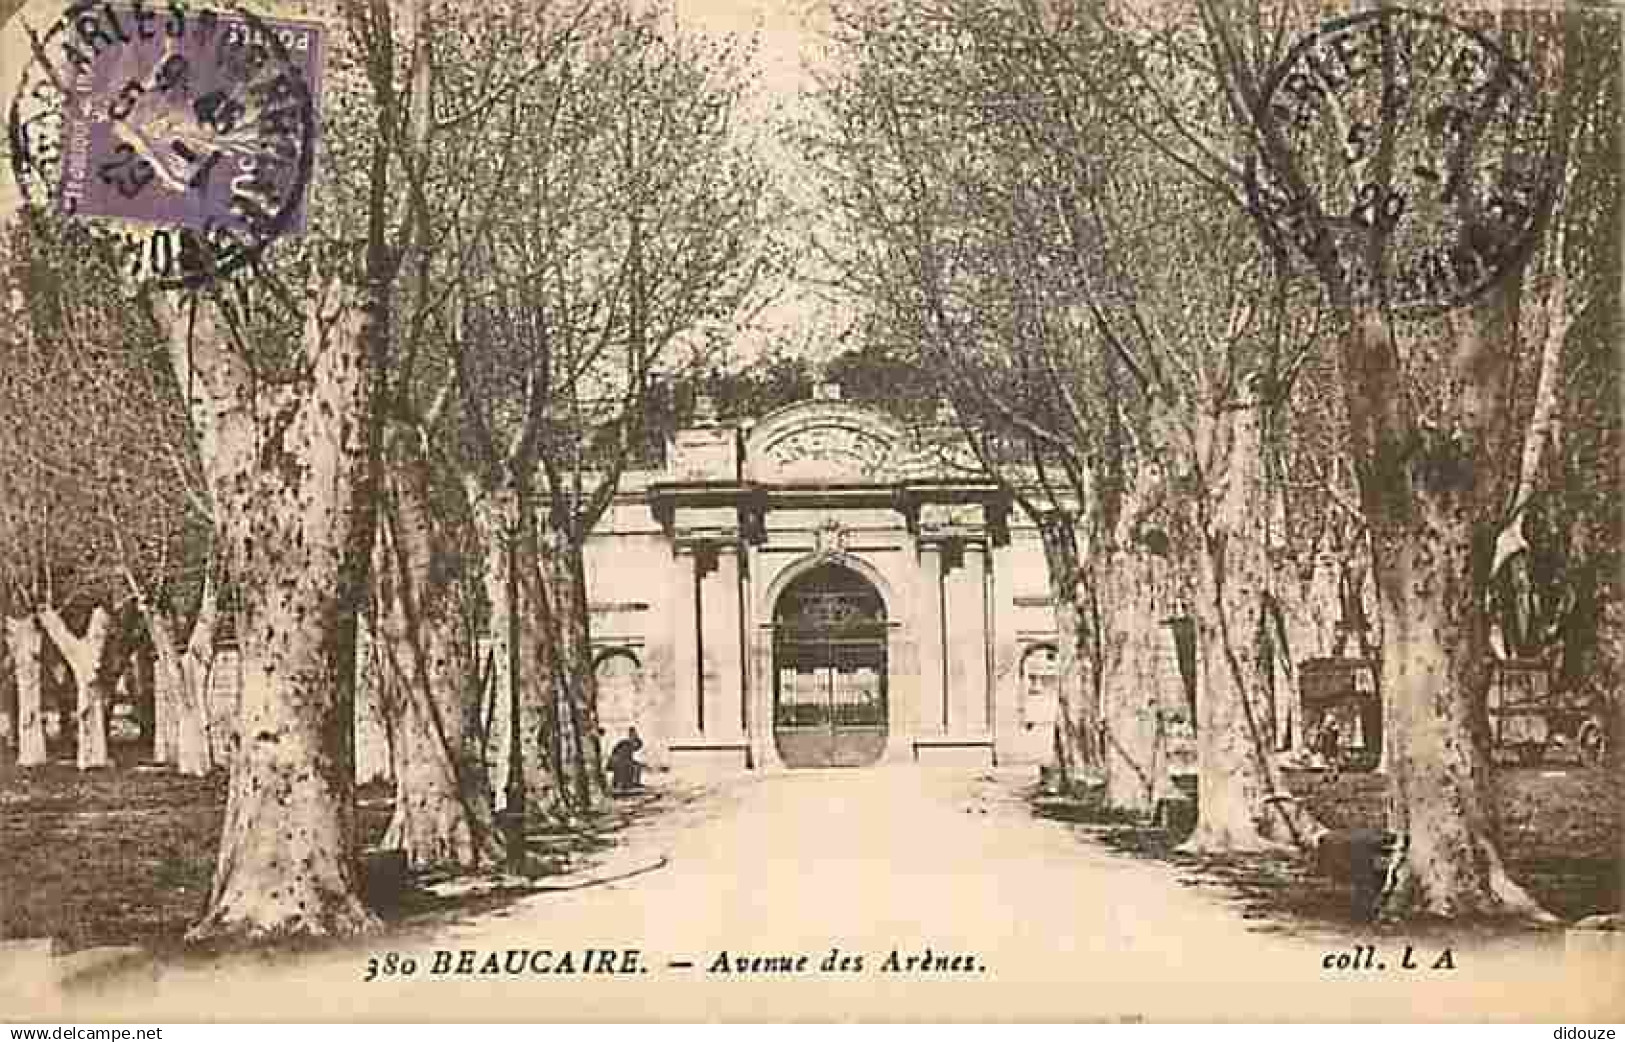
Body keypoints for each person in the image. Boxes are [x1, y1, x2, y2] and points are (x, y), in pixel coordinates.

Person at [607, 726, 645, 794]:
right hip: (617, 763)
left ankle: (633, 783)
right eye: (633, 736)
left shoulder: (629, 744)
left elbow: (638, 747)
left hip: (620, 762)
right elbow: (622, 757)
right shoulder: (625, 744)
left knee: (637, 766)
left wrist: (638, 764)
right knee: (630, 767)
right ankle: (624, 785)